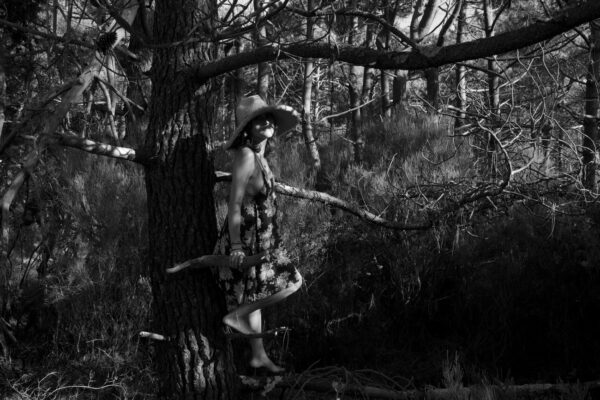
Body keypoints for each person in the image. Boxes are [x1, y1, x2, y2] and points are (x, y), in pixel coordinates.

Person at [214, 95, 303, 373]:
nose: (266, 122)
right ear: (247, 128)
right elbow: (234, 203)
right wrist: (236, 246)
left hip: (263, 239)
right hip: (247, 240)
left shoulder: (261, 158)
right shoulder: (245, 155)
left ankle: (258, 356)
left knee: (255, 296)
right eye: (258, 119)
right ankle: (237, 317)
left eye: (269, 118)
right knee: (294, 281)